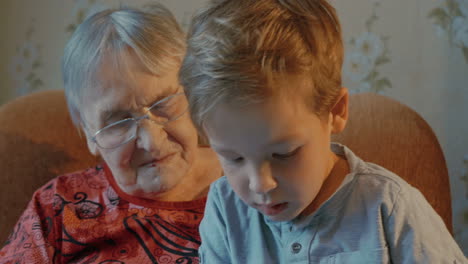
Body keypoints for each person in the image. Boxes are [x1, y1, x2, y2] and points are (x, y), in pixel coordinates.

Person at [179, 0, 467, 263]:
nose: (260, 184)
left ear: (336, 112)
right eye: (233, 158)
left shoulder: (391, 210)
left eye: (283, 154)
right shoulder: (225, 207)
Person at [0, 4, 221, 263]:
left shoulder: (254, 180)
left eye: (163, 105)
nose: (151, 142)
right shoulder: (56, 208)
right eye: (118, 121)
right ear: (88, 132)